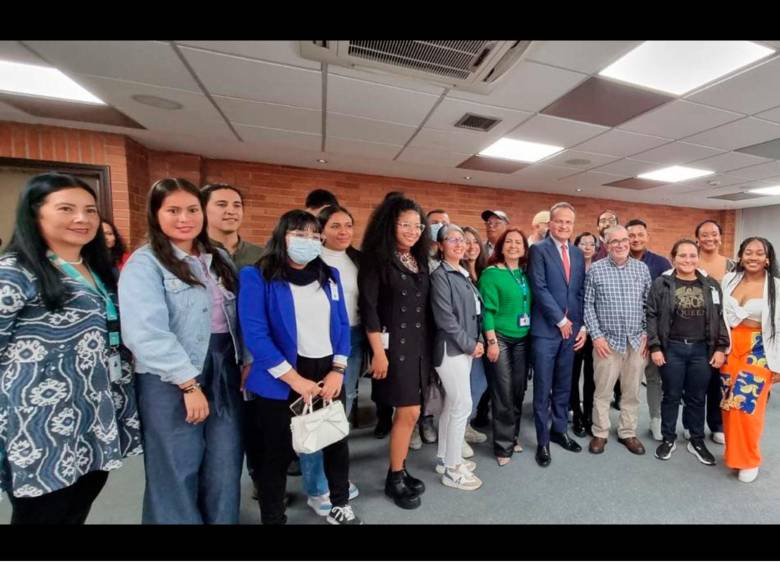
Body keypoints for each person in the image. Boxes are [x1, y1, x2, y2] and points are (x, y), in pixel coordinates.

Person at [0, 172, 141, 524]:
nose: (82, 219)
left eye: (90, 210)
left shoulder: (101, 271)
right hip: (38, 420)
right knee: (43, 511)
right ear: (35, 214)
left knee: (79, 502)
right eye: (66, 208)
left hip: (93, 409)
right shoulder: (15, 272)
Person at [119, 178, 244, 524]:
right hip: (170, 375)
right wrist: (188, 384)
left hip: (223, 366)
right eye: (172, 210)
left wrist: (245, 361)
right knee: (177, 463)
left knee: (225, 459)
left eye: (191, 209)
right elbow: (145, 331)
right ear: (155, 214)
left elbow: (237, 316)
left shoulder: (216, 257)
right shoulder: (145, 263)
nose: (184, 218)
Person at [238, 209, 361, 524]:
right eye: (299, 234)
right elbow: (256, 335)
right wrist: (295, 380)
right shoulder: (257, 275)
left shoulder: (328, 275)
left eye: (313, 234)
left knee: (335, 442)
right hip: (281, 377)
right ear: (282, 236)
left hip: (327, 374)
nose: (308, 240)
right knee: (276, 454)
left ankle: (339, 504)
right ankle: (273, 517)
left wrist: (338, 369)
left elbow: (341, 326)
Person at [359, 195, 431, 510]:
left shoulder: (419, 259)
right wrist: (378, 352)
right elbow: (369, 308)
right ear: (390, 225)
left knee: (412, 411)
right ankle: (395, 477)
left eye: (417, 225)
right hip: (392, 346)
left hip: (419, 346)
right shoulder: (377, 259)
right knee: (408, 412)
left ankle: (398, 468)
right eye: (405, 225)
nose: (413, 231)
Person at [646, 239, 728, 465]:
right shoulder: (662, 283)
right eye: (682, 255)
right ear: (674, 258)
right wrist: (655, 346)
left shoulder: (711, 285)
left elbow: (720, 317)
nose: (688, 260)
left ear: (698, 258)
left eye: (692, 255)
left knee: (697, 397)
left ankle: (696, 439)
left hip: (702, 350)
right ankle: (668, 438)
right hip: (672, 348)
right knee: (671, 395)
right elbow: (651, 315)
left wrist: (721, 347)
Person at [527, 202, 586, 467]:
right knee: (542, 388)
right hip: (545, 331)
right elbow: (538, 287)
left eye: (568, 223)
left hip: (571, 331)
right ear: (550, 223)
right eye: (559, 221)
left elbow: (580, 292)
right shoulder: (538, 250)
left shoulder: (576, 253)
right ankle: (542, 441)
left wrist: (580, 325)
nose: (564, 226)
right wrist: (560, 319)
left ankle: (559, 430)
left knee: (564, 385)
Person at [584, 225, 652, 456]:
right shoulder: (596, 270)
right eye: (615, 241)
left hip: (636, 341)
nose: (621, 244)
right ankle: (600, 432)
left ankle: (627, 432)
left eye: (624, 240)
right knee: (602, 391)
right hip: (607, 343)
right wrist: (597, 336)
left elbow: (648, 305)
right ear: (606, 244)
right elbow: (588, 306)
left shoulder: (642, 270)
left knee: (631, 391)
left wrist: (646, 333)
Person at [720, 237, 780, 483]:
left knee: (747, 407)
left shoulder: (776, 286)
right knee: (728, 404)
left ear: (768, 259)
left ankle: (749, 459)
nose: (753, 257)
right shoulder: (728, 279)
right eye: (748, 252)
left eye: (759, 253)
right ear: (740, 256)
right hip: (730, 346)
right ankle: (734, 455)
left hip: (760, 350)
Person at [430, 224, 484, 490]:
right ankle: (453, 469)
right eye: (452, 240)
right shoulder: (440, 275)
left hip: (465, 349)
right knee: (462, 404)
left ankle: (443, 458)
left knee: (452, 405)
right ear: (440, 245)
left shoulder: (463, 273)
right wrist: (470, 345)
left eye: (462, 240)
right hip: (450, 351)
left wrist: (479, 341)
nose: (459, 244)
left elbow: (475, 314)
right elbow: (445, 320)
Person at [479, 227, 533, 466]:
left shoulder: (524, 273)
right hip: (499, 337)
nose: (513, 246)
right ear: (501, 246)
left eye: (518, 243)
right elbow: (487, 312)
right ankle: (502, 446)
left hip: (522, 338)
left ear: (524, 249)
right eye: (509, 242)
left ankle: (512, 436)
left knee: (518, 390)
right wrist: (491, 342)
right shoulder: (491, 274)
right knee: (502, 391)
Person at [626, 218, 672, 442]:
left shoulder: (661, 263)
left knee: (654, 378)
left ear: (647, 236)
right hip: (628, 333)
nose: (635, 239)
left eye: (639, 235)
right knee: (630, 381)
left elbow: (667, 299)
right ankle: (628, 425)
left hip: (653, 332)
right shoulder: (618, 261)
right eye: (631, 235)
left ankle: (656, 420)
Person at [695, 219, 737, 445]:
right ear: (697, 239)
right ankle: (694, 425)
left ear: (721, 237)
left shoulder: (732, 266)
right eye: (704, 234)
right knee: (695, 382)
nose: (710, 238)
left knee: (719, 381)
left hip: (724, 332)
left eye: (714, 234)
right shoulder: (690, 261)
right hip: (695, 332)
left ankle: (717, 423)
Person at [417, 208, 452, 446]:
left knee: (435, 379)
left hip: (444, 329)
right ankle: (412, 422)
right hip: (419, 327)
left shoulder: (448, 256)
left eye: (443, 223)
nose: (439, 225)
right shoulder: (417, 255)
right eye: (435, 223)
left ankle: (428, 418)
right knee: (417, 378)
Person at [461, 226, 489, 444]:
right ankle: (456, 432)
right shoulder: (456, 272)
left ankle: (466, 424)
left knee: (479, 384)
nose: (471, 246)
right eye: (466, 241)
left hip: (485, 339)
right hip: (464, 340)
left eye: (474, 242)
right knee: (464, 387)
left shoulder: (486, 271)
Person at [570, 232, 597, 437]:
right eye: (583, 243)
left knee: (591, 375)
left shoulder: (599, 269)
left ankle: (589, 414)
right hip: (575, 329)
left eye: (591, 244)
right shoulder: (570, 267)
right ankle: (576, 414)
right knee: (573, 373)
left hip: (595, 330)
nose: (587, 247)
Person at [202, 183, 264, 268]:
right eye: (222, 205)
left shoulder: (262, 256)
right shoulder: (191, 254)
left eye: (237, 205)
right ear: (202, 210)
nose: (231, 211)